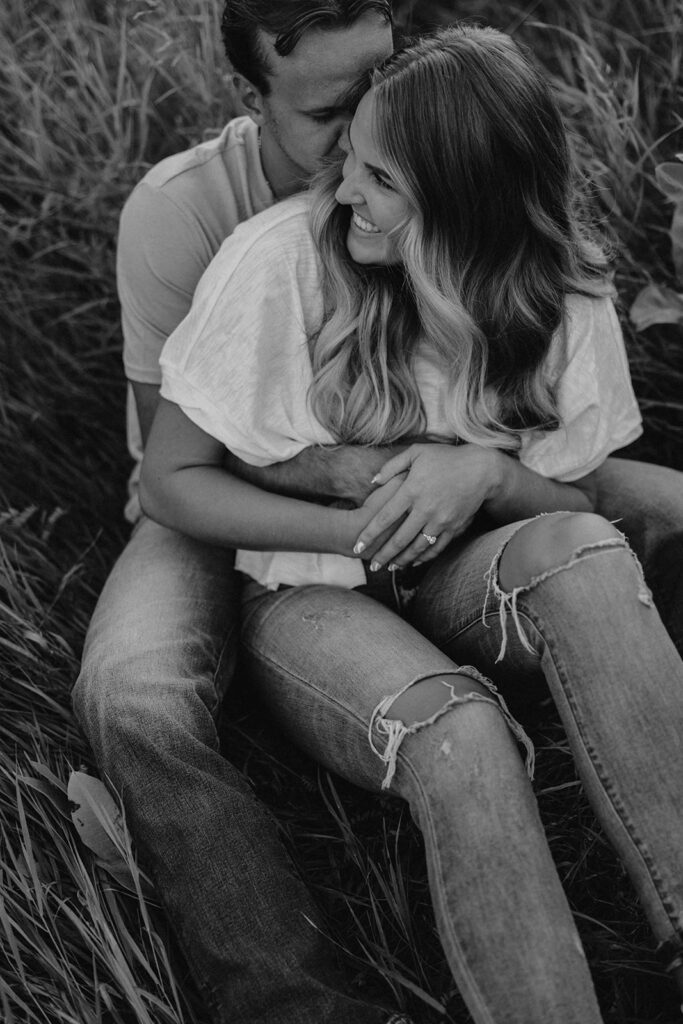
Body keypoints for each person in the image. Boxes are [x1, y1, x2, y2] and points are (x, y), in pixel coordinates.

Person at [140, 25, 683, 1023]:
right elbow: (171, 482)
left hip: (469, 574)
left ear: (459, 203)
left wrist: (480, 473)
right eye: (350, 160)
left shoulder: (561, 291)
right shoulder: (278, 262)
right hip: (308, 594)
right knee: (457, 729)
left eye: (379, 177)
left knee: (588, 551)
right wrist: (365, 525)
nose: (344, 189)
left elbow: (575, 503)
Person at [72, 3, 415, 1024]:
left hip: (415, 466)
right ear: (248, 98)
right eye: (330, 109)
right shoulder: (179, 210)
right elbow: (182, 457)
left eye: (382, 84)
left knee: (656, 505)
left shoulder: (429, 153)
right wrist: (343, 475)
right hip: (211, 503)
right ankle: (293, 1003)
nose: (368, 127)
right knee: (128, 692)